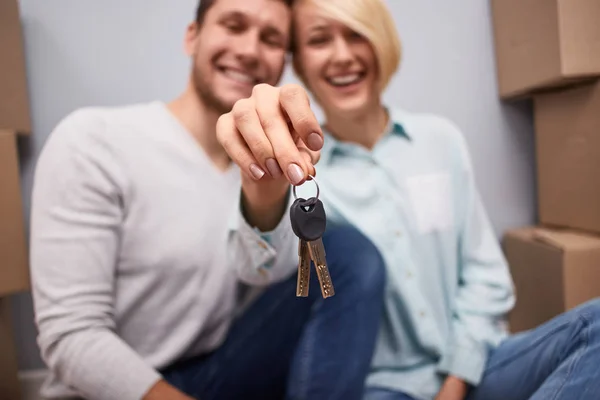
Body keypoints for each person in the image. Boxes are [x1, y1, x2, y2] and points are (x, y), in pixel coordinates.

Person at [216, 0, 600, 399]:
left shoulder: (440, 140)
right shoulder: (297, 171)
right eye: (319, 40)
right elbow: (259, 269)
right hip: (381, 388)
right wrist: (265, 186)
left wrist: (455, 384)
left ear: (381, 42)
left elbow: (485, 277)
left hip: (472, 369)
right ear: (300, 62)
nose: (342, 56)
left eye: (356, 34)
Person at [28, 0, 388, 399]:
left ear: (282, 63)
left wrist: (266, 193)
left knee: (346, 251)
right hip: (118, 387)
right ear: (192, 36)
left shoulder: (277, 162)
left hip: (216, 371)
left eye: (270, 39)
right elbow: (71, 335)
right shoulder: (95, 141)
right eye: (233, 25)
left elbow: (266, 275)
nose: (250, 50)